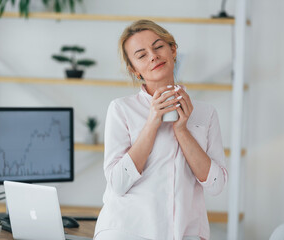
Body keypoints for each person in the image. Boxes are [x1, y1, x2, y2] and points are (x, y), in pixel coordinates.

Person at [94, 19, 228, 240]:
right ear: (134, 70)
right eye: (141, 55)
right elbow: (117, 184)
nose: (153, 56)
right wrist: (152, 122)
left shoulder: (206, 113)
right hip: (126, 230)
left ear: (173, 50)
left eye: (158, 47)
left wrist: (182, 130)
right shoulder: (121, 109)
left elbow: (216, 185)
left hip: (186, 233)